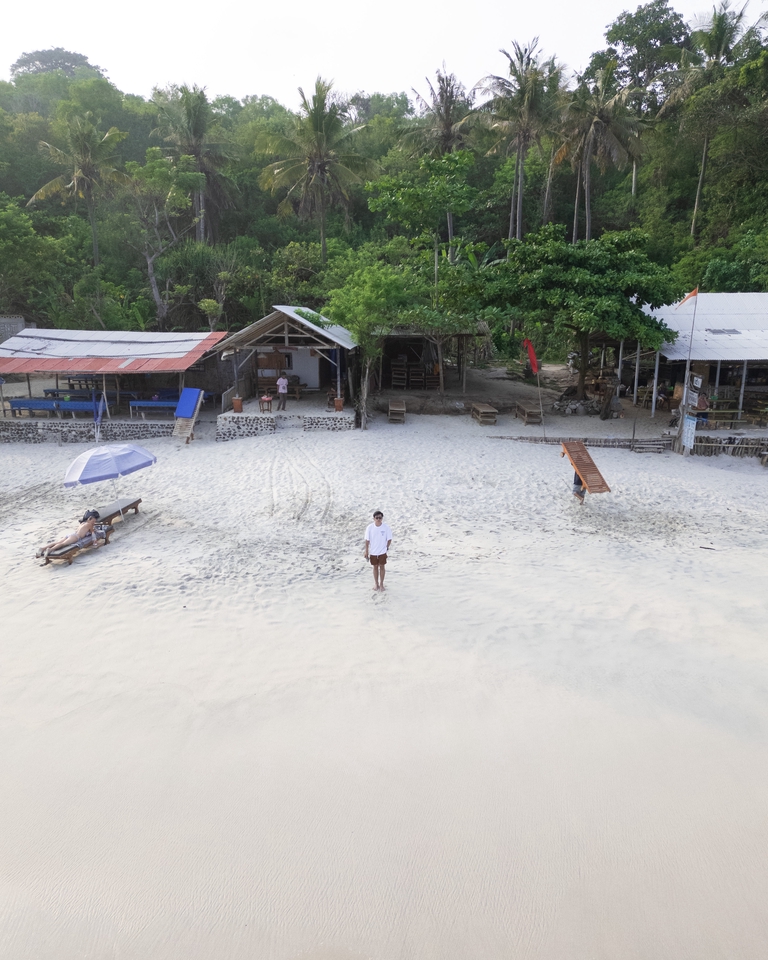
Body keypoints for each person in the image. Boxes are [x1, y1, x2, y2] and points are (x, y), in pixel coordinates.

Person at [36, 510, 105, 557]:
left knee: (57, 542)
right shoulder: (89, 525)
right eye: (93, 521)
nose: (94, 522)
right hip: (76, 537)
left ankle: (42, 549)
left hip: (71, 534)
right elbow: (93, 534)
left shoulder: (83, 523)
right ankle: (50, 550)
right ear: (89, 520)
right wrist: (95, 540)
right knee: (63, 544)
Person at [364, 510, 393, 591]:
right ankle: (376, 583)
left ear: (382, 518)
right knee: (375, 567)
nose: (378, 519)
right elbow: (367, 540)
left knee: (382, 567)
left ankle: (381, 584)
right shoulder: (369, 527)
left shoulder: (386, 527)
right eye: (377, 518)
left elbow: (389, 539)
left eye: (380, 518)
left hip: (382, 551)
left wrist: (386, 547)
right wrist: (366, 551)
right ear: (374, 518)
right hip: (373, 551)